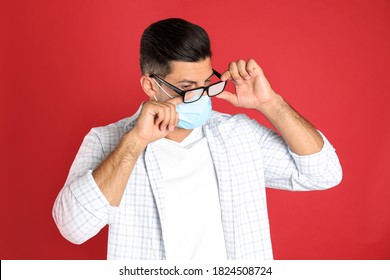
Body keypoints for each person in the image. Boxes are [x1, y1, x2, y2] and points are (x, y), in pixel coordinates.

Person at [53, 18, 342, 260]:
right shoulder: (107, 141)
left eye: (207, 84)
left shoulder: (239, 135)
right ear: (150, 86)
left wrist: (270, 103)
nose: (201, 97)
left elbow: (324, 173)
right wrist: (134, 142)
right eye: (187, 87)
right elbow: (74, 229)